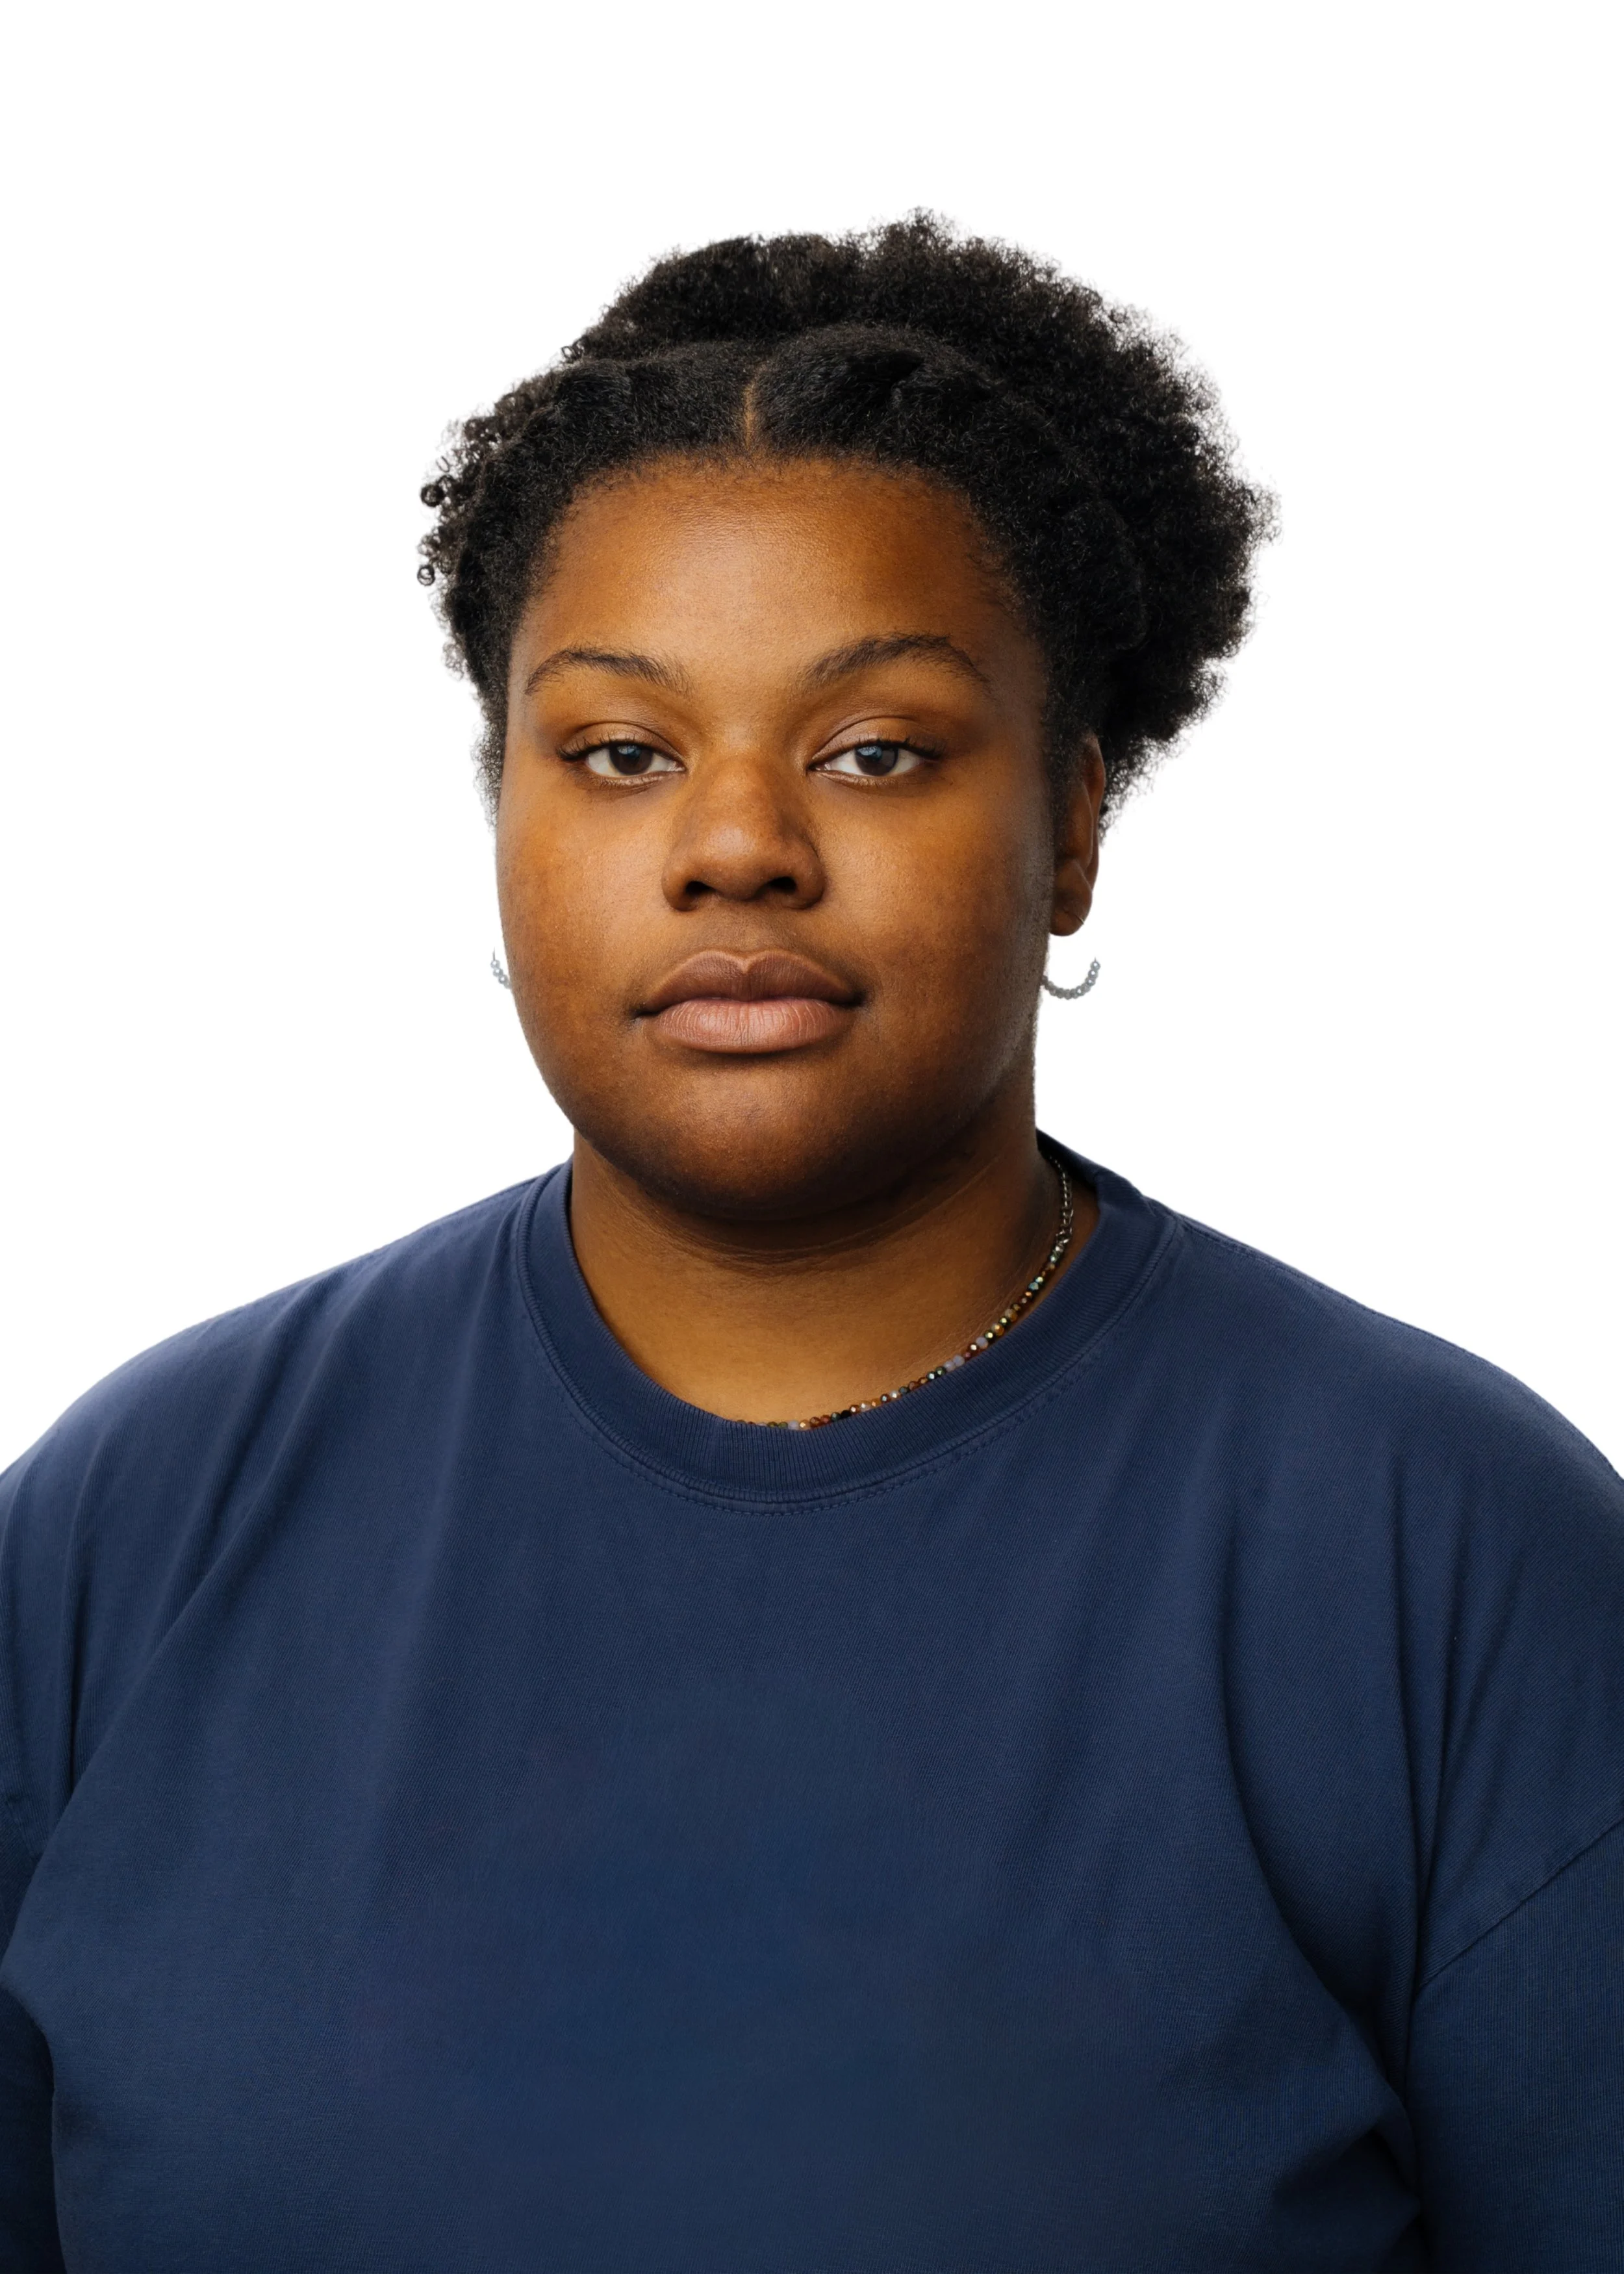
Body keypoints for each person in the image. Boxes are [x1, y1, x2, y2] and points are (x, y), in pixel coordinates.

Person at [1, 216, 1619, 2273]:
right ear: (501, 811)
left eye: (873, 751)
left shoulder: (1445, 1552)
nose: (737, 843)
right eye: (620, 752)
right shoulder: (134, 1526)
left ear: (1070, 824)